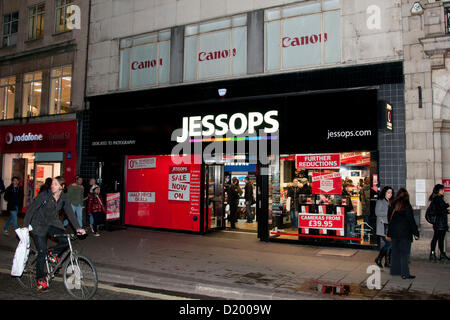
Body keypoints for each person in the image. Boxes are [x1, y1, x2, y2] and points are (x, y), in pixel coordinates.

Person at [23, 176, 85, 292]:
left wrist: (78, 228)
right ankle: (40, 279)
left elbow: (70, 213)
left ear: (62, 187)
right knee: (41, 251)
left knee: (66, 240)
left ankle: (52, 253)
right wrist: (26, 226)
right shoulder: (44, 195)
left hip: (52, 224)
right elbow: (31, 209)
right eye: (52, 184)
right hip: (38, 225)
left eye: (56, 184)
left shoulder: (64, 198)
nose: (52, 186)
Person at [387, 188, 419, 279]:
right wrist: (416, 233)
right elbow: (411, 221)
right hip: (405, 233)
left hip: (394, 233)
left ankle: (395, 271)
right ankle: (405, 273)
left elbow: (389, 217)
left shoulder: (392, 204)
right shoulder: (407, 206)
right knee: (404, 254)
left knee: (395, 252)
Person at [428, 184, 450, 261]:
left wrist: (447, 211)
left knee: (440, 239)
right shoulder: (437, 199)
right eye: (442, 190)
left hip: (440, 223)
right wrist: (447, 205)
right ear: (439, 191)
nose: (443, 191)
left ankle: (441, 254)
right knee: (437, 238)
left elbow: (440, 210)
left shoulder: (438, 199)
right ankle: (433, 253)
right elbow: (438, 210)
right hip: (439, 223)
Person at [374, 186, 394, 268]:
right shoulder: (380, 201)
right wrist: (389, 212)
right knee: (389, 244)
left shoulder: (391, 202)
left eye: (391, 193)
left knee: (390, 244)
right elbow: (377, 213)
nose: (390, 194)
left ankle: (387, 262)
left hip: (390, 226)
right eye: (388, 192)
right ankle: (379, 258)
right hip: (383, 226)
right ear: (385, 193)